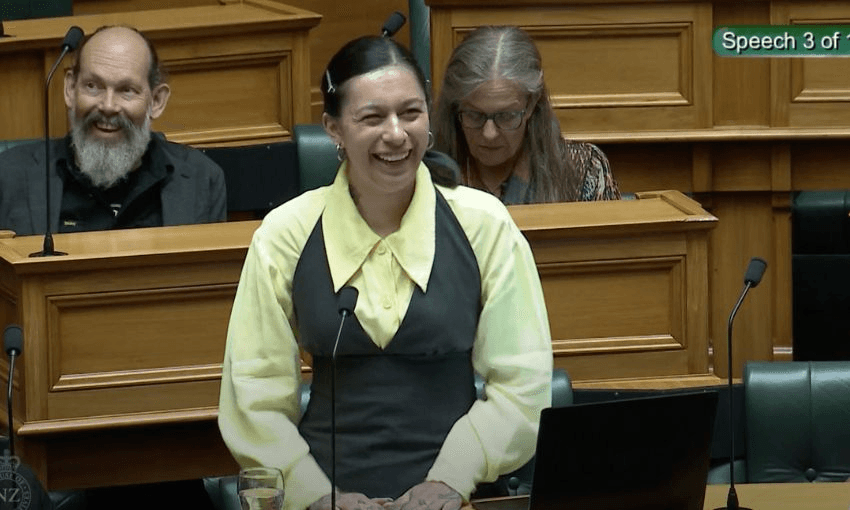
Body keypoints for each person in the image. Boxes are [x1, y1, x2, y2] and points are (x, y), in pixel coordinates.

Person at [218, 35, 553, 510]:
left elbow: (523, 384)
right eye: (372, 117)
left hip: (460, 495)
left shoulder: (485, 225)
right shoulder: (284, 235)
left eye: (411, 113)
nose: (396, 134)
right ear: (333, 128)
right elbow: (255, 400)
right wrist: (315, 496)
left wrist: (450, 482)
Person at [0, 25, 226, 236]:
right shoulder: (9, 176)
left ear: (156, 101)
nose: (108, 106)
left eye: (127, 90)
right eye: (93, 86)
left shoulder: (201, 179)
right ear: (70, 89)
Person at [432, 25, 620, 205]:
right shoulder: (427, 173)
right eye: (474, 115)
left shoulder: (583, 169)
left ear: (531, 104)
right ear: (456, 106)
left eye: (506, 116)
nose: (489, 133)